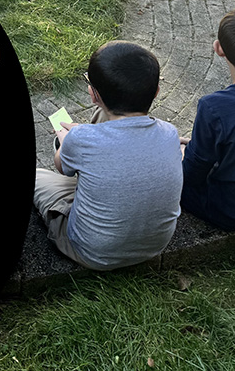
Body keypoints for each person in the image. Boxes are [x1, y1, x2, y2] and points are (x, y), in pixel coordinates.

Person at [34, 41, 183, 270]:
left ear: (93, 94)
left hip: (92, 252)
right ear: (156, 91)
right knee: (103, 122)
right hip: (154, 246)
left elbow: (62, 167)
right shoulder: (170, 133)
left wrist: (65, 140)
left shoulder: (80, 139)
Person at [181, 5, 235, 230]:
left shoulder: (214, 107)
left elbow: (192, 173)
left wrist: (182, 155)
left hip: (233, 211)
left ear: (218, 49)